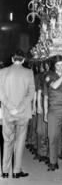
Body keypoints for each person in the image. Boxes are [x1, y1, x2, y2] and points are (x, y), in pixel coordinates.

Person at [0, 50, 35, 178]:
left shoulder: (2, 72)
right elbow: (31, 93)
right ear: (24, 60)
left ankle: (4, 171)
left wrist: (10, 107)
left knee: (7, 141)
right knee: (19, 142)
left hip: (8, 113)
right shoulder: (28, 72)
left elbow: (1, 94)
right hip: (23, 114)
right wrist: (19, 108)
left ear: (12, 58)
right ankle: (16, 171)